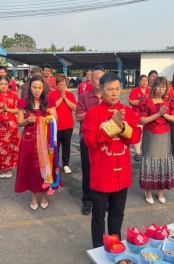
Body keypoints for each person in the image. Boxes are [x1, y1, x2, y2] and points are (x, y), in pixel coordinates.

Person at [82, 73, 141, 248]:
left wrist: (122, 127)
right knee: (98, 214)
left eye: (117, 89)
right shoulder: (93, 114)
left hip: (122, 173)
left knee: (118, 213)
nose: (115, 93)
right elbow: (90, 141)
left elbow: (136, 136)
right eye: (110, 90)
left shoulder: (127, 111)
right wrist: (112, 126)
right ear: (101, 91)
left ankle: (115, 243)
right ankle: (99, 247)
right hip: (102, 173)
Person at [15, 76, 59, 211]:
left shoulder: (49, 101)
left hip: (45, 138)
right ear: (30, 88)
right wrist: (29, 120)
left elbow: (55, 118)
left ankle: (44, 194)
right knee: (30, 167)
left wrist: (45, 119)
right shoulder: (23, 103)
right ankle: (33, 195)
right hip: (29, 139)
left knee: (45, 165)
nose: (37, 90)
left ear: (43, 88)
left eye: (40, 87)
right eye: (34, 87)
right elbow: (20, 122)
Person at [139, 77, 174, 204]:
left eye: (164, 86)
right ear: (153, 87)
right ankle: (148, 190)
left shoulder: (169, 101)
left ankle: (160, 189)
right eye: (159, 86)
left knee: (162, 162)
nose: (161, 88)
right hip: (150, 135)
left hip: (165, 135)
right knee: (149, 162)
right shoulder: (146, 101)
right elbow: (142, 120)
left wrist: (164, 114)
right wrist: (158, 114)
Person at [75, 68, 105, 215]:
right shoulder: (84, 97)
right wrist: (95, 111)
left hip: (105, 139)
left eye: (103, 79)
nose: (101, 82)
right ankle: (87, 201)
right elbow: (79, 117)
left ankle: (101, 201)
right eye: (98, 79)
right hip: (88, 139)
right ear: (91, 80)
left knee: (103, 171)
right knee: (88, 171)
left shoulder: (109, 96)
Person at [0, 76, 20, 179]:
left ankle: (10, 168)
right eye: (1, 84)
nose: (3, 86)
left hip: (12, 127)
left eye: (5, 84)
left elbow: (19, 110)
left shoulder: (14, 96)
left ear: (8, 85)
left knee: (11, 148)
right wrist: (1, 111)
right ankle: (2, 169)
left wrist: (9, 110)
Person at [48, 74, 77, 174]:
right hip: (56, 125)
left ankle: (66, 164)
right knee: (55, 146)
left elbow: (74, 108)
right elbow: (52, 107)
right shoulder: (51, 95)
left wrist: (65, 98)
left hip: (68, 125)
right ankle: (55, 165)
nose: (62, 86)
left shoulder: (70, 95)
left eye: (64, 84)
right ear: (56, 85)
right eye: (60, 84)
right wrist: (61, 98)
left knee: (66, 145)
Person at [128, 75, 151, 162]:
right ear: (139, 82)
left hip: (149, 115)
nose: (144, 83)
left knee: (148, 135)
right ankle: (138, 153)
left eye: (146, 81)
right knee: (138, 134)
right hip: (137, 115)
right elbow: (131, 102)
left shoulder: (150, 91)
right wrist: (142, 100)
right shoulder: (134, 91)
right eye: (142, 81)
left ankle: (146, 152)